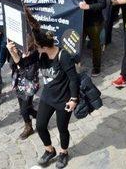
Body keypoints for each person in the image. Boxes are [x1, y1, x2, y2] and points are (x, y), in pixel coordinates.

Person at [33, 25, 79, 168]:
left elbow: (73, 79)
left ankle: (63, 153)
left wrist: (73, 99)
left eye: (38, 47)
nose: (36, 49)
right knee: (40, 126)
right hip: (47, 97)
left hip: (63, 99)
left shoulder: (63, 56)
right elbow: (22, 63)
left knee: (62, 128)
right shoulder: (41, 54)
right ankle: (49, 150)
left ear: (44, 47)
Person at [74, 0, 106, 76]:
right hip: (81, 20)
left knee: (95, 45)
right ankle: (77, 64)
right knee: (77, 43)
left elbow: (103, 4)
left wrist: (89, 6)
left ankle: (96, 67)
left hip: (94, 21)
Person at [7, 33, 40, 140]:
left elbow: (30, 75)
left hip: (29, 86)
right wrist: (14, 54)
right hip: (18, 83)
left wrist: (20, 64)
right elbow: (12, 65)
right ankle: (40, 116)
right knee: (25, 108)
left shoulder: (34, 54)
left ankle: (28, 127)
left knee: (24, 109)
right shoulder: (19, 51)